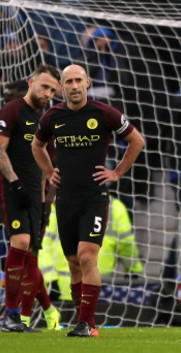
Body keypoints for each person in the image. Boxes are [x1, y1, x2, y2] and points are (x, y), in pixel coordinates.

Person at [31, 64, 145, 337]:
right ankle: (82, 322)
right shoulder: (53, 116)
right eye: (68, 81)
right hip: (66, 198)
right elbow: (36, 145)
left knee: (86, 256)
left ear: (88, 82)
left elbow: (137, 140)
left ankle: (88, 323)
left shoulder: (104, 113)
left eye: (78, 80)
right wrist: (48, 172)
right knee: (72, 261)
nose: (74, 86)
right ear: (62, 87)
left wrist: (116, 172)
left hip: (94, 197)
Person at [0, 65, 62, 332]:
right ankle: (9, 315)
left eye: (53, 90)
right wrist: (15, 184)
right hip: (12, 189)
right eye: (44, 86)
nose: (48, 93)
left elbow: (43, 162)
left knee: (32, 255)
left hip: (35, 192)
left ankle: (24, 317)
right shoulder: (12, 110)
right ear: (32, 82)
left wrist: (46, 199)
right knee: (20, 243)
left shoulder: (42, 118)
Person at [39, 196, 144, 301]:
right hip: (97, 292)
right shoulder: (115, 207)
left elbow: (42, 245)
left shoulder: (60, 203)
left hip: (65, 291)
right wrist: (134, 271)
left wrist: (50, 280)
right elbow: (127, 245)